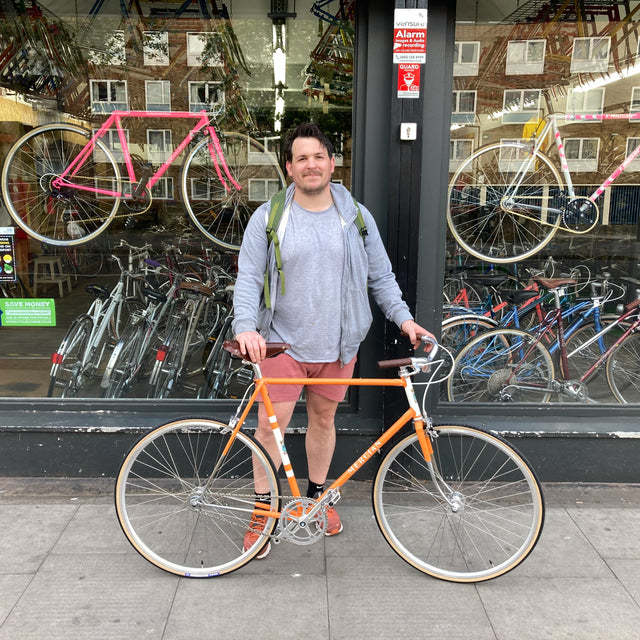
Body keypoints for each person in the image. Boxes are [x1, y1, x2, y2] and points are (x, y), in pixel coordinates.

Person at [232, 122, 434, 558]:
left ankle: (318, 497)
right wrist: (245, 326)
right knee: (272, 430)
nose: (311, 165)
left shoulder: (356, 217)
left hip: (339, 344)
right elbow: (247, 277)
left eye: (318, 156)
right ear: (289, 167)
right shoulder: (268, 217)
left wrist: (405, 321)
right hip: (281, 343)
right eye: (301, 158)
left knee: (324, 422)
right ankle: (264, 511)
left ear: (332, 163)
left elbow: (381, 276)